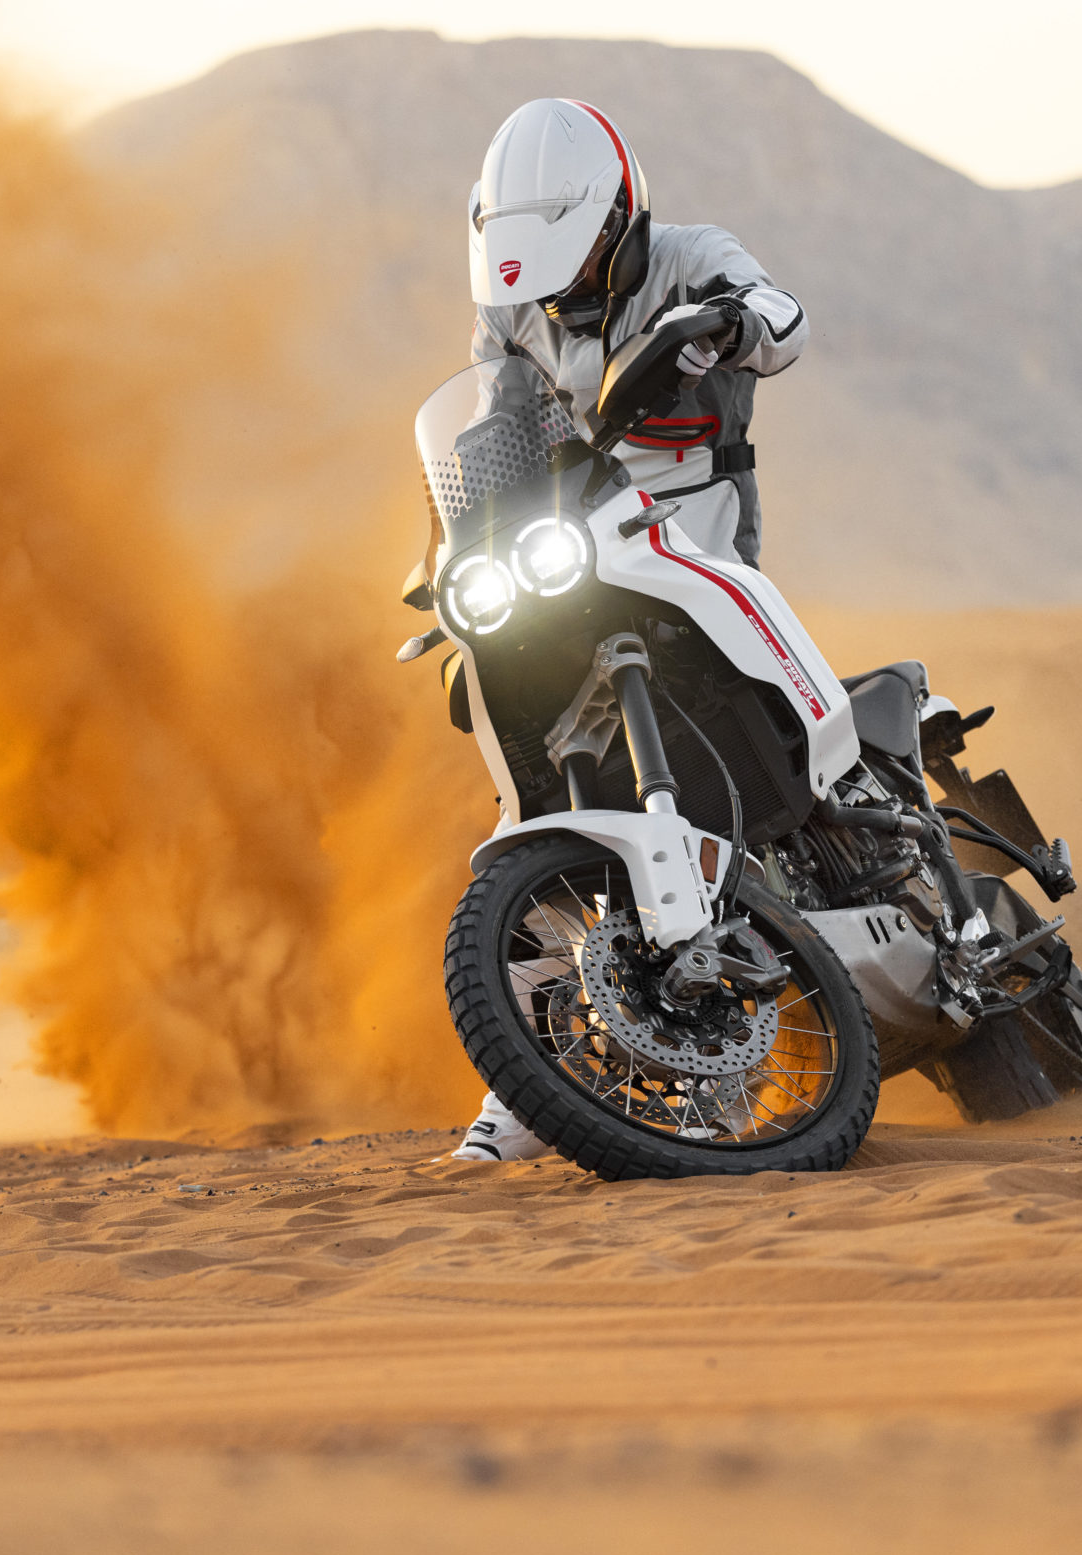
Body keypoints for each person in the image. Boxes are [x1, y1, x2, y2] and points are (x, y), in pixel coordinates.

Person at [448, 97, 809, 1163]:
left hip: (696, 516)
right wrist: (453, 551)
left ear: (617, 220)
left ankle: (828, 766)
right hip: (579, 538)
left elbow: (785, 319)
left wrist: (737, 325)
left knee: (722, 658)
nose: (558, 301)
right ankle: (527, 1069)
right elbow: (487, 431)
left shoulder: (695, 257)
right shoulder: (510, 314)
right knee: (541, 767)